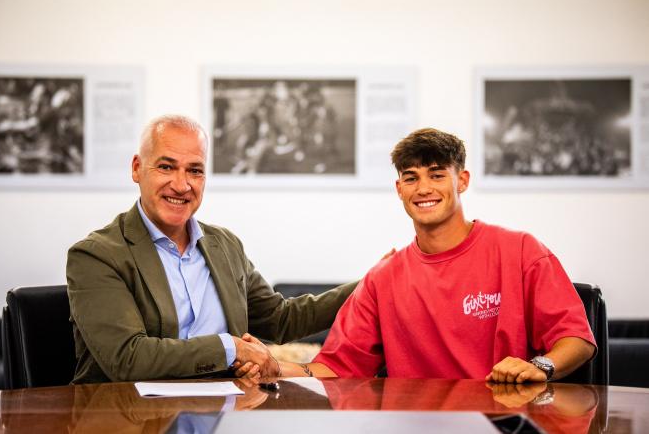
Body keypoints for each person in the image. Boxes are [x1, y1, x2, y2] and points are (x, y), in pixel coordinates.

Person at [237, 127, 596, 383]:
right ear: (399, 189)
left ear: (463, 180)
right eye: (411, 178)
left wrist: (540, 366)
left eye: (437, 175)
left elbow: (577, 339)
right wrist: (274, 366)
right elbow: (337, 367)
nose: (423, 188)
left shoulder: (520, 250)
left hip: (503, 422)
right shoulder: (383, 277)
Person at [66, 114, 357, 383]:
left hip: (221, 411)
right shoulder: (96, 256)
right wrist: (230, 348)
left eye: (195, 171)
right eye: (166, 167)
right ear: (137, 169)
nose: (181, 185)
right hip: (128, 417)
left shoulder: (225, 246)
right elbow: (127, 359)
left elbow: (281, 320)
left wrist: (373, 283)